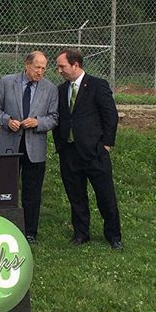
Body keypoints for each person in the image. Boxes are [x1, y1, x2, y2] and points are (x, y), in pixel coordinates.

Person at [53, 48, 123, 250]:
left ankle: (113, 235)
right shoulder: (60, 90)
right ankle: (81, 233)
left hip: (95, 152)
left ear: (75, 65)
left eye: (62, 66)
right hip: (70, 152)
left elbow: (110, 115)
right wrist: (60, 145)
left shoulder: (97, 85)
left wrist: (106, 144)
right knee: (76, 196)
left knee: (105, 196)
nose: (59, 70)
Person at [0, 50, 58, 244]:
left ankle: (30, 232)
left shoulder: (50, 89)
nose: (40, 72)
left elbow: (54, 117)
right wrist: (7, 120)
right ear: (27, 65)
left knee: (32, 192)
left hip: (34, 148)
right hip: (9, 145)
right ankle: (4, 228)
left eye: (44, 68)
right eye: (37, 67)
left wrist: (38, 122)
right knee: (5, 190)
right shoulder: (6, 82)